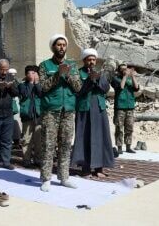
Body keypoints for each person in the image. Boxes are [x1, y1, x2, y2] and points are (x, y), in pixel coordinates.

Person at [38, 34, 82, 192]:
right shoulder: (44, 65)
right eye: (58, 45)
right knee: (48, 145)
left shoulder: (73, 65)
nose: (62, 47)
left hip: (68, 110)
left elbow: (78, 87)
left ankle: (64, 177)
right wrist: (58, 75)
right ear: (53, 47)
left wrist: (68, 75)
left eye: (64, 45)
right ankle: (46, 178)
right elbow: (43, 87)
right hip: (51, 111)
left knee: (65, 145)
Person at [71, 49, 114, 177]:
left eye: (93, 60)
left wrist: (97, 79)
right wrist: (89, 80)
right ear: (84, 61)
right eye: (89, 60)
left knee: (101, 137)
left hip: (99, 109)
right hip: (85, 109)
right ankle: (85, 168)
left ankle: (99, 168)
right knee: (84, 137)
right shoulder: (78, 74)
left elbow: (105, 89)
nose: (91, 62)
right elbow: (78, 91)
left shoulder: (100, 73)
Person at [111, 64, 140, 154]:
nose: (125, 70)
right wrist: (125, 76)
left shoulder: (129, 79)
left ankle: (128, 146)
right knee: (119, 127)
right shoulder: (115, 79)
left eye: (126, 68)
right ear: (119, 71)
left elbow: (136, 88)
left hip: (130, 106)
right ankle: (119, 146)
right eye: (122, 69)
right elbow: (121, 87)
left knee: (129, 127)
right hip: (120, 106)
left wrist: (133, 76)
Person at [18, 65, 42, 168]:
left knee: (39, 139)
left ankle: (38, 159)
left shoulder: (40, 84)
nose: (31, 75)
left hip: (39, 115)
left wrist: (36, 83)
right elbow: (26, 94)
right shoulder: (22, 85)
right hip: (27, 115)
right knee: (26, 139)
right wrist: (31, 83)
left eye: (33, 73)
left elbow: (41, 94)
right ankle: (26, 159)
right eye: (29, 73)